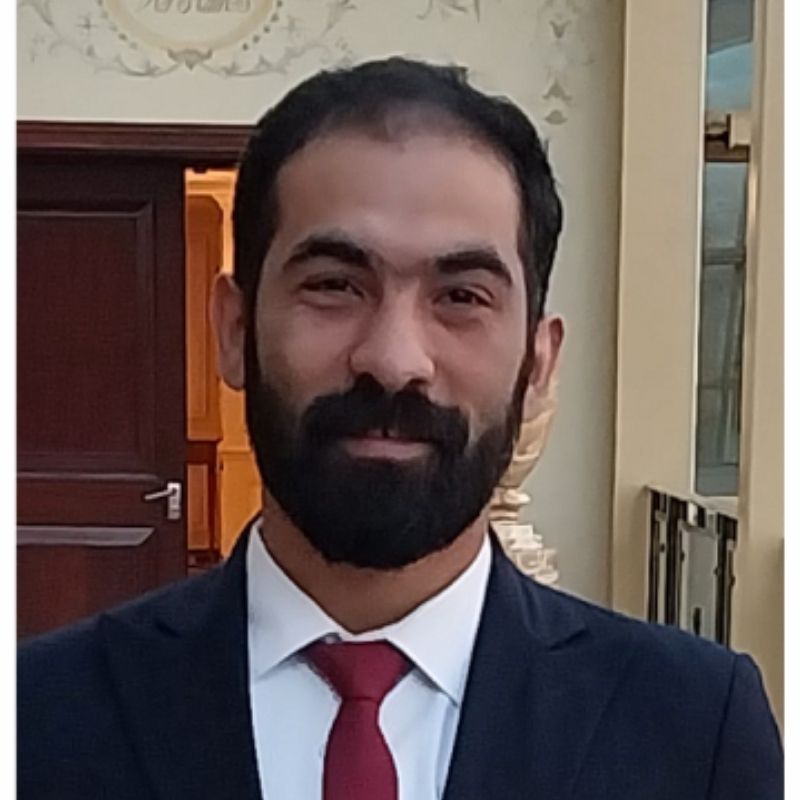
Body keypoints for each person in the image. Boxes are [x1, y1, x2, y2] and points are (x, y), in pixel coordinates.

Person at [18, 57, 782, 800]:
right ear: (234, 329)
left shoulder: (693, 730)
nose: (392, 361)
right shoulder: (38, 719)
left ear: (539, 362)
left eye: (462, 297)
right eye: (334, 285)